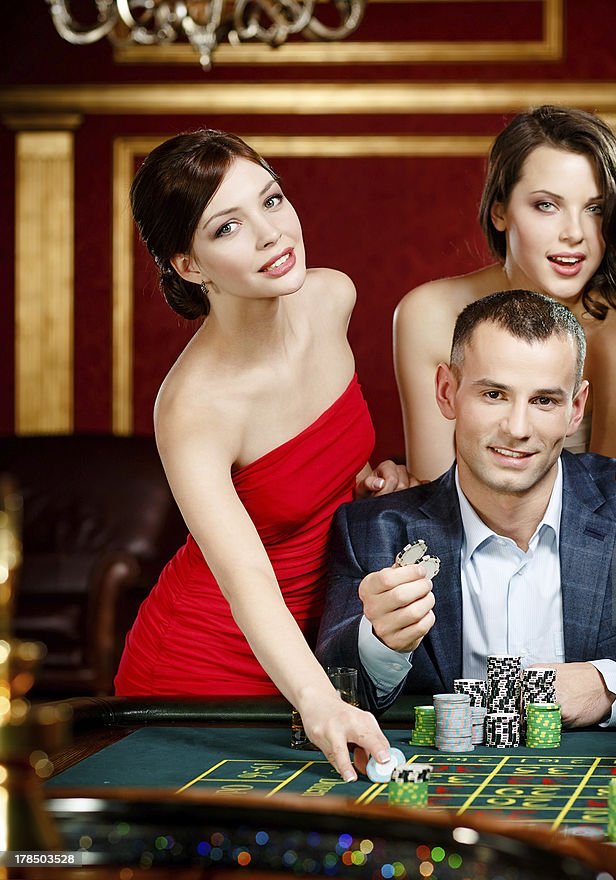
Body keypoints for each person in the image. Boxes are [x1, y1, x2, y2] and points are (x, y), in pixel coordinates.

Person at [317, 291, 616, 728]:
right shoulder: (374, 531)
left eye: (544, 400)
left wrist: (608, 686)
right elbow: (330, 683)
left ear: (575, 409)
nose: (518, 427)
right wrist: (380, 643)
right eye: (493, 394)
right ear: (447, 392)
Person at [114, 130, 404, 779]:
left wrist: (368, 483)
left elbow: (308, 479)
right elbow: (244, 577)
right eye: (228, 228)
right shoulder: (193, 405)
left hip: (314, 653)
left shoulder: (333, 298)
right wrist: (318, 700)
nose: (272, 233)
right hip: (199, 671)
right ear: (189, 265)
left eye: (272, 201)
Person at [395, 105, 616, 480]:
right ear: (500, 211)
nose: (574, 233)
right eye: (546, 205)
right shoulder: (429, 314)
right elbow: (432, 490)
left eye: (595, 209)